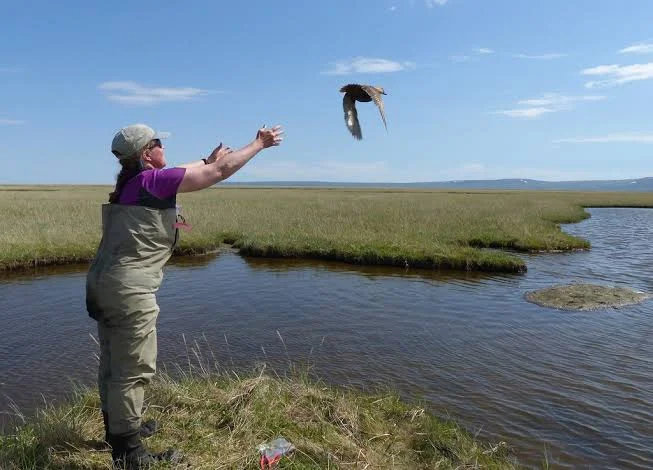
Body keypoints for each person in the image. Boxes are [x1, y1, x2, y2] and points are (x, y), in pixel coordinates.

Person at [85, 122, 283, 469]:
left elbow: (196, 168)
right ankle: (129, 454)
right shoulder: (152, 182)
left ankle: (120, 430)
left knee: (113, 362)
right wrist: (258, 144)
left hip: (105, 285)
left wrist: (205, 158)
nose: (164, 146)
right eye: (158, 142)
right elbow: (218, 172)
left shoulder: (135, 182)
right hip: (129, 291)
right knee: (132, 368)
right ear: (147, 153)